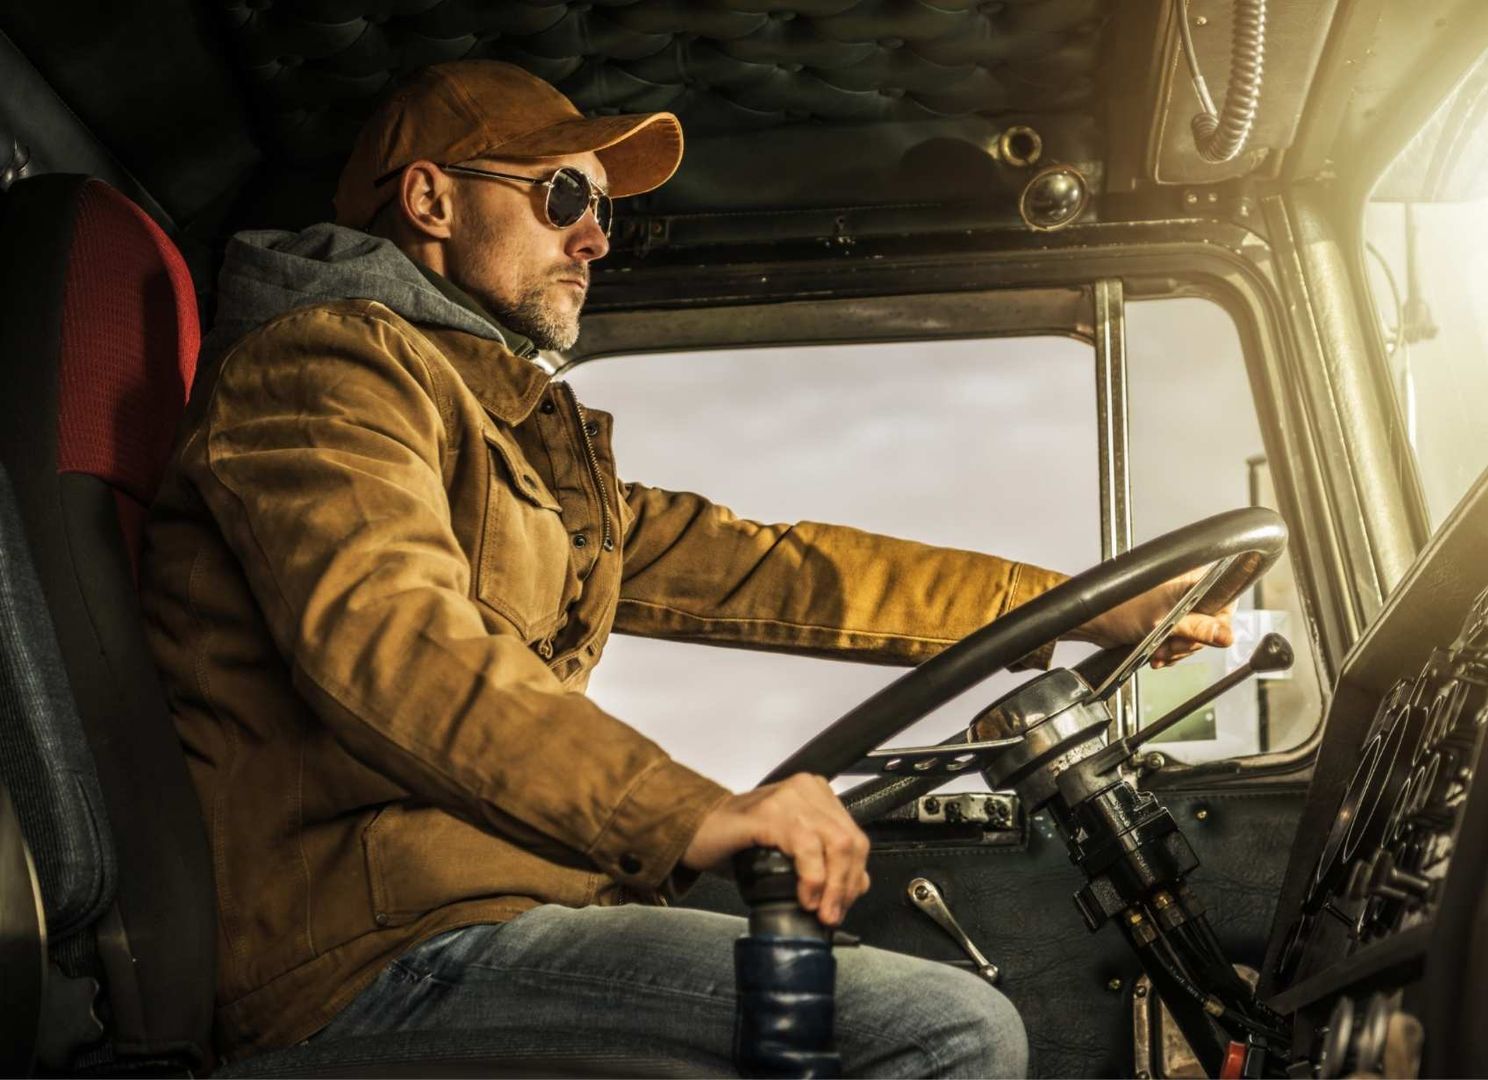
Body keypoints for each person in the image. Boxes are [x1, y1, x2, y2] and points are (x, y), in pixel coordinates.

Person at [140, 59, 1234, 1077]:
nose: (596, 240)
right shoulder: (321, 372)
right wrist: (691, 814)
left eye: (603, 210)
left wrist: (1081, 609)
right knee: (944, 1032)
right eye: (564, 198)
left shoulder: (506, 429)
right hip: (372, 956)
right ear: (430, 202)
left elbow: (774, 571)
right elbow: (393, 640)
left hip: (503, 906)